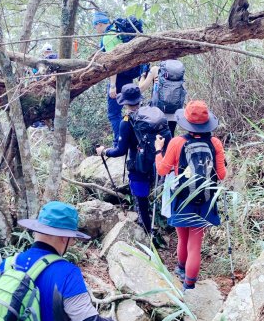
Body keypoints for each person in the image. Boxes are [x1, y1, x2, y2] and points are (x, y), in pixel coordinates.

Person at [154, 101, 227, 290]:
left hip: (182, 197)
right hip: (206, 201)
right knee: (195, 243)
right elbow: (221, 175)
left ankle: (180, 269)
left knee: (182, 238)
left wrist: (157, 151)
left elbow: (162, 170)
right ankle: (189, 286)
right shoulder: (215, 143)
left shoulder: (178, 142)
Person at [96, 84, 171, 235]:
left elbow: (120, 150)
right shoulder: (153, 113)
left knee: (141, 199)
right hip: (158, 161)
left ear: (124, 102)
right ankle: (164, 224)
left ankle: (147, 231)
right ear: (139, 99)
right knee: (156, 193)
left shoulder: (127, 121)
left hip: (138, 165)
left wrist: (104, 151)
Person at [93, 11, 138, 146]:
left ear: (100, 24)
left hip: (118, 78)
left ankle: (120, 142)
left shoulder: (108, 37)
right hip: (128, 76)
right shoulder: (117, 33)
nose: (95, 29)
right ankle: (132, 139)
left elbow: (113, 63)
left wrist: (112, 85)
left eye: (95, 26)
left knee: (114, 114)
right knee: (130, 108)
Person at [139, 61, 186, 137]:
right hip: (173, 113)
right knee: (169, 139)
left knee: (156, 140)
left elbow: (140, 89)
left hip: (157, 113)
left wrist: (143, 74)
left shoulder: (156, 70)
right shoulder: (179, 71)